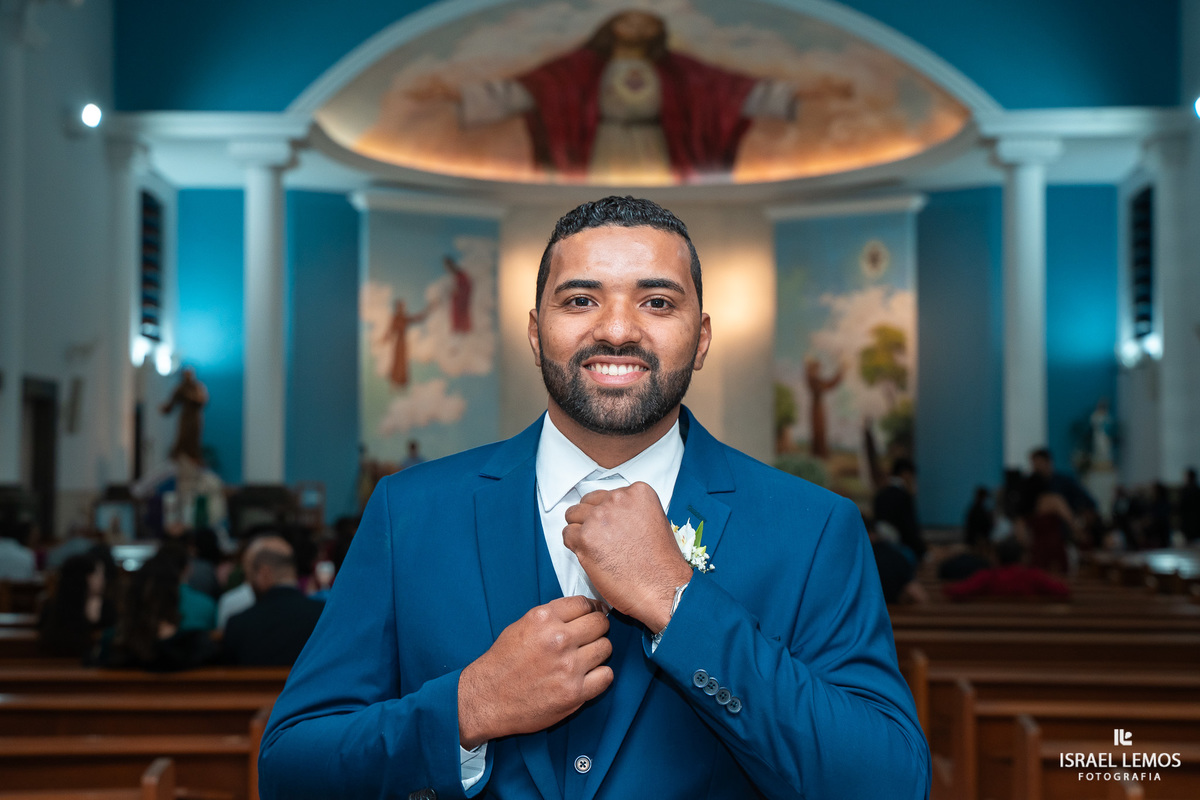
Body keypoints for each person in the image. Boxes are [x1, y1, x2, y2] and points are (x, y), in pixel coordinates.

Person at [259, 197, 929, 799]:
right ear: (534, 330)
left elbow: (887, 782)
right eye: (580, 299)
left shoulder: (813, 529)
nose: (616, 330)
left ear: (701, 339)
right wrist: (470, 707)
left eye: (657, 302)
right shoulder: (409, 514)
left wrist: (678, 603)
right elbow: (291, 767)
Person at [414, 10, 850, 182]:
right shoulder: (580, 68)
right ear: (611, 27)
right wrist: (454, 95)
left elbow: (733, 93)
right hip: (605, 144)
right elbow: (526, 92)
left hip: (655, 147)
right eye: (629, 19)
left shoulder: (679, 72)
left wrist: (807, 92)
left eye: (646, 20)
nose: (637, 25)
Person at [223, 536, 325, 666]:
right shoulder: (322, 615)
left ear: (264, 573)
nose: (250, 583)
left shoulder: (238, 625)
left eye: (250, 575)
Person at [943, 539, 1071, 602]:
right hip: (1030, 632)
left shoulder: (988, 577)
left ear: (997, 559)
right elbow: (1063, 590)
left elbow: (956, 591)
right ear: (1022, 558)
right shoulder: (1033, 576)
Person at [873, 457, 926, 563]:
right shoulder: (903, 496)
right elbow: (909, 529)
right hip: (901, 552)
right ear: (906, 474)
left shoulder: (880, 494)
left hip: (881, 550)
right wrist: (923, 552)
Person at [161, 367, 209, 463]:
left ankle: (194, 459)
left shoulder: (197, 387)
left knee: (194, 439)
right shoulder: (181, 388)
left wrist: (190, 397)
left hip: (195, 417)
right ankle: (176, 458)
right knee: (182, 437)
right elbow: (172, 402)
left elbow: (202, 400)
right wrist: (166, 409)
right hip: (185, 417)